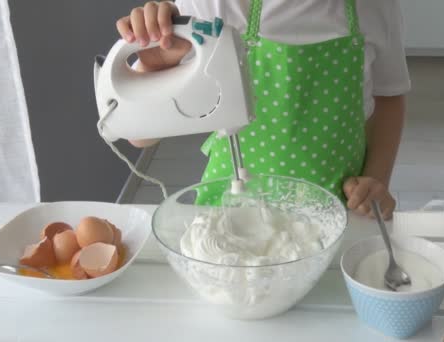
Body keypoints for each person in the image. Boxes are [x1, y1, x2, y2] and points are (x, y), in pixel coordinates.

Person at [115, 0, 409, 219]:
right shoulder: (207, 6)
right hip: (230, 217)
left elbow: (389, 97)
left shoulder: (372, 6)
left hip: (339, 212)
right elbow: (139, 137)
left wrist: (376, 179)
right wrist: (155, 67)